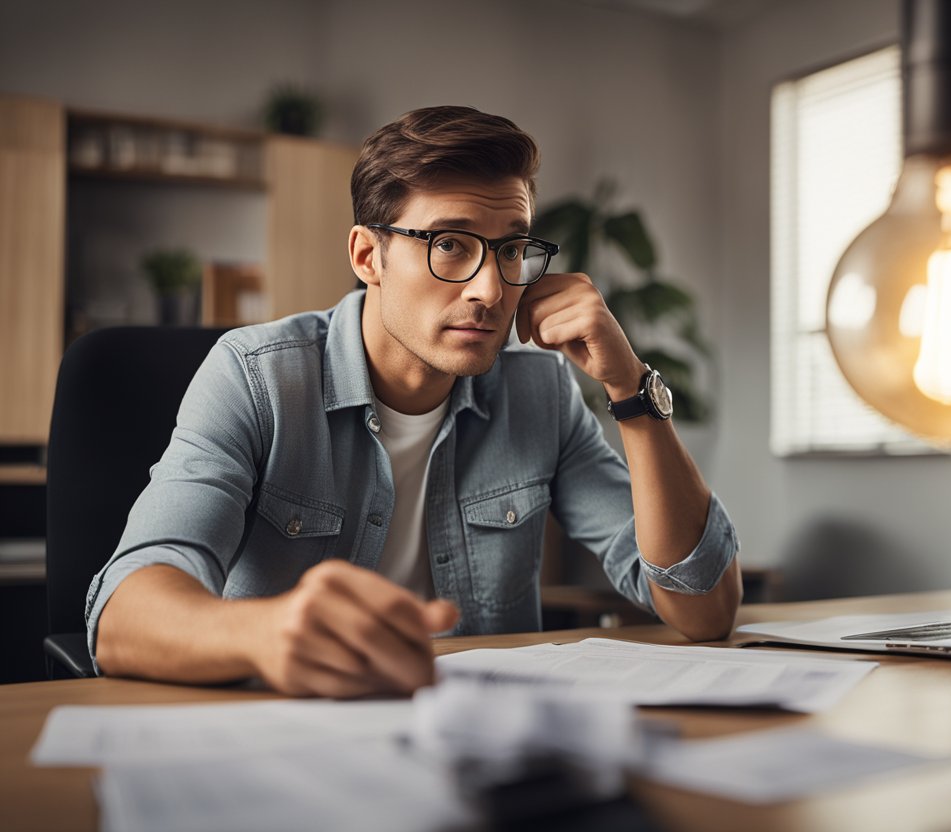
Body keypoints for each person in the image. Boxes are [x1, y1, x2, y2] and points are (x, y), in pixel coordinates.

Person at [87, 105, 741, 698]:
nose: (490, 290)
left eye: (511, 249)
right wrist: (264, 633)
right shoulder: (257, 379)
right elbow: (122, 618)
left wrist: (630, 390)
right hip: (290, 736)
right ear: (367, 256)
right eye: (450, 244)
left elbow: (703, 609)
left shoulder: (540, 392)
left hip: (480, 743)